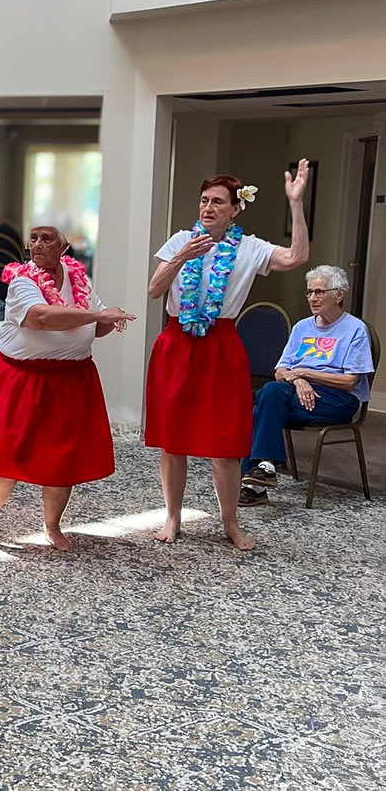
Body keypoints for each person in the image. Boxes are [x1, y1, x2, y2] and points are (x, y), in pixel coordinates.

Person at [146, 161, 311, 550]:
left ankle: (230, 522)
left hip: (221, 347)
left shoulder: (250, 248)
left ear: (235, 208)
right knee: (174, 442)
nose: (208, 208)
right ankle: (172, 517)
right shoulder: (179, 241)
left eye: (218, 202)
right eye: (204, 200)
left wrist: (296, 204)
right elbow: (155, 290)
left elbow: (296, 258)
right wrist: (183, 255)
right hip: (177, 342)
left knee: (225, 444)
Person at [0, 224, 135, 552]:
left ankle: (52, 526)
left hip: (72, 377)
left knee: (63, 456)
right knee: (11, 453)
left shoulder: (79, 280)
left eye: (47, 239)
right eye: (33, 239)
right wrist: (98, 314)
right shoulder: (22, 280)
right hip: (23, 376)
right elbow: (40, 318)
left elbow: (93, 329)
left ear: (64, 247)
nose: (37, 245)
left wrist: (109, 321)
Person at [240, 265, 375, 506]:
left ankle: (254, 485)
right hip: (295, 392)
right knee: (269, 394)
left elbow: (349, 381)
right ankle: (264, 468)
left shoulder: (355, 329)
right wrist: (299, 379)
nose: (313, 298)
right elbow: (281, 370)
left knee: (261, 405)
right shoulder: (302, 327)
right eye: (310, 292)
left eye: (320, 292)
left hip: (337, 399)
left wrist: (305, 372)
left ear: (340, 294)